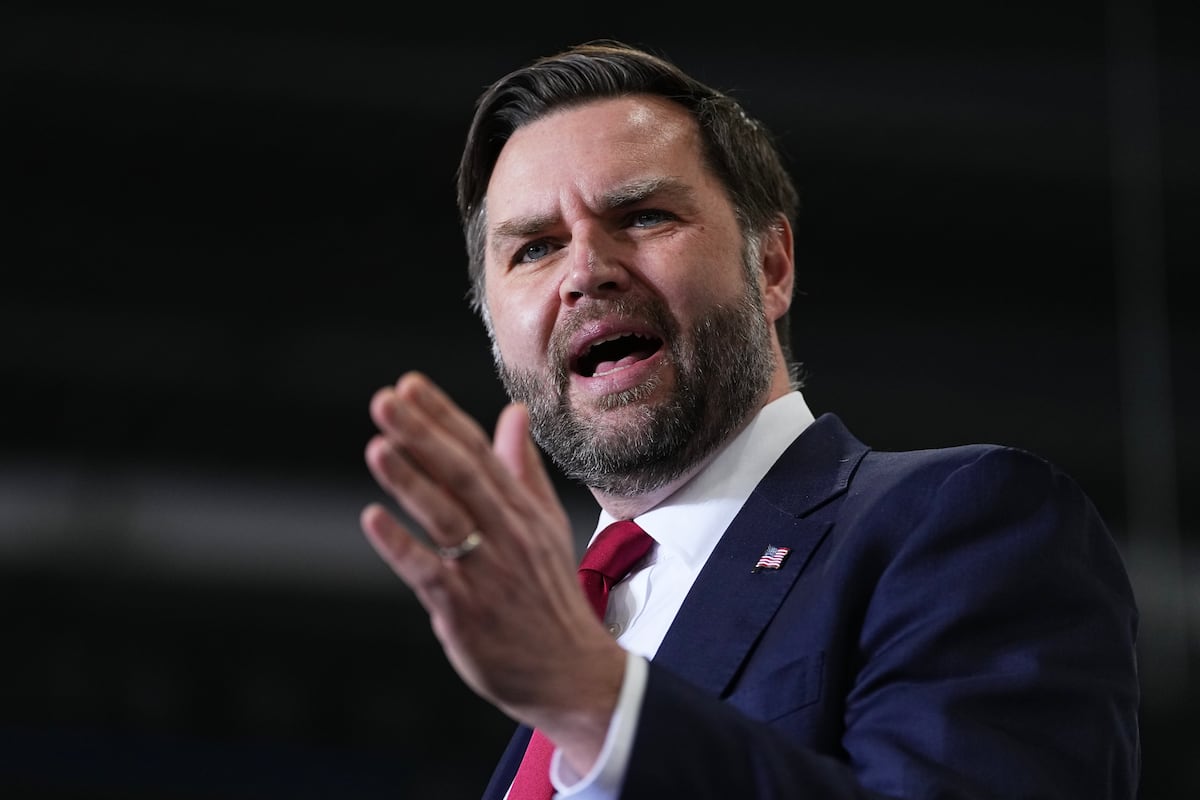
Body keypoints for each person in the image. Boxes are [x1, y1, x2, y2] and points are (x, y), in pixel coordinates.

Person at [360, 39, 1140, 799]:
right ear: (494, 328)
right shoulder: (558, 654)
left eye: (643, 216)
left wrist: (597, 704)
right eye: (534, 248)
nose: (586, 272)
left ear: (770, 265)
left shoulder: (962, 525)